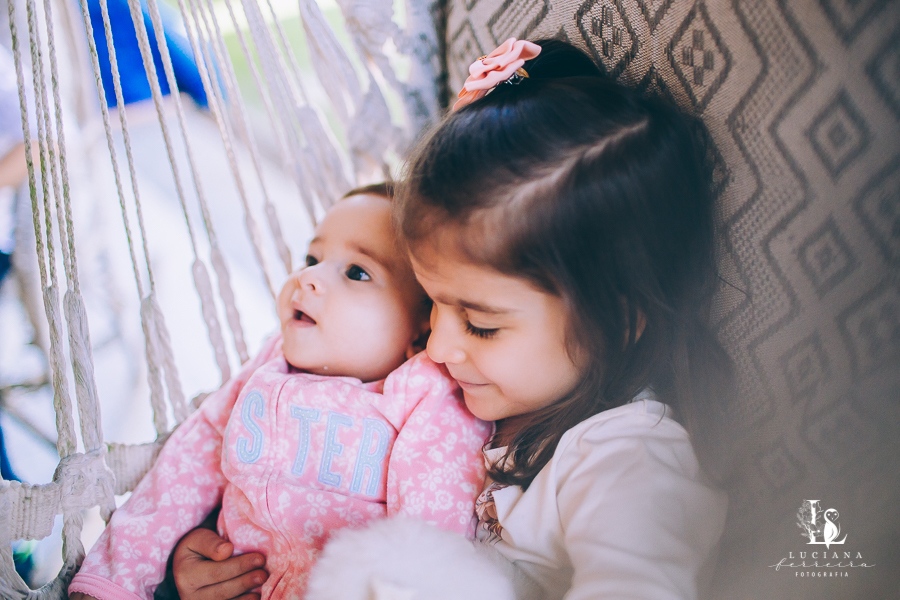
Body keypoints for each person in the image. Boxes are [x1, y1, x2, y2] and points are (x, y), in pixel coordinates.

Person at [162, 37, 731, 600]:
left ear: (613, 323)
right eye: (434, 306)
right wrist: (216, 548)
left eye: (481, 324)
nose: (437, 348)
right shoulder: (447, 389)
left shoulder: (624, 458)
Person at [68, 183, 492, 600]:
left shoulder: (427, 400)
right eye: (312, 257)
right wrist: (116, 578)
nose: (308, 276)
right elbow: (186, 465)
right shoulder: (269, 369)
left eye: (357, 272)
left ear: (422, 328)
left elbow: (429, 546)